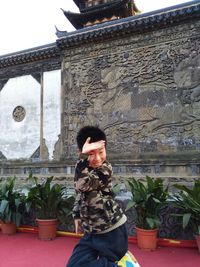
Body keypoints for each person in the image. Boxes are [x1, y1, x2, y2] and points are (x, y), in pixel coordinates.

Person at [67, 126, 140, 267]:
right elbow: (80, 194)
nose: (98, 158)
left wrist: (83, 158)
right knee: (74, 264)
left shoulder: (105, 169)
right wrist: (76, 215)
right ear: (81, 152)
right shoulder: (82, 169)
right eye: (91, 153)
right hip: (91, 231)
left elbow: (82, 185)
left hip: (111, 231)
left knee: (108, 263)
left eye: (101, 152)